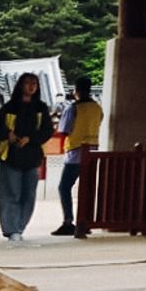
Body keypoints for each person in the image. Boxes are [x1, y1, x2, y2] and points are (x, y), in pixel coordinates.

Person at [0, 72, 51, 244]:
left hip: (32, 157)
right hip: (11, 156)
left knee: (28, 195)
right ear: (20, 86)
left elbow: (47, 131)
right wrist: (7, 134)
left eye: (34, 83)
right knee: (10, 194)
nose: (31, 86)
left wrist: (31, 139)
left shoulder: (41, 108)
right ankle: (11, 229)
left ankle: (20, 226)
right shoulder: (9, 108)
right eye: (27, 83)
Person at [51, 78, 102, 238]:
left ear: (76, 91)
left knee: (64, 187)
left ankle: (68, 221)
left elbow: (64, 130)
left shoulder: (73, 108)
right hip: (93, 152)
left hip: (75, 153)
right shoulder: (97, 108)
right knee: (88, 188)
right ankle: (85, 221)